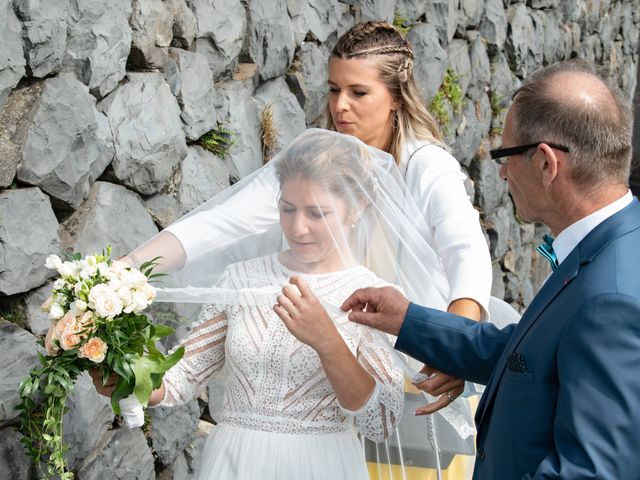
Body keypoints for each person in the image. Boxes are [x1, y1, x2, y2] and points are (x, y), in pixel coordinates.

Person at [125, 20, 492, 412]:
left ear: (397, 97)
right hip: (336, 372)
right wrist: (127, 270)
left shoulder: (426, 164)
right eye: (334, 90)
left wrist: (455, 344)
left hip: (424, 364)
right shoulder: (314, 161)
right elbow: (222, 222)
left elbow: (465, 249)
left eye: (358, 92)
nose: (339, 106)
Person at [94, 130, 452, 479]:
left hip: (321, 467)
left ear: (356, 208)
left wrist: (328, 342)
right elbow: (181, 378)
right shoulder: (241, 279)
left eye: (317, 213)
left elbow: (380, 422)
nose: (298, 228)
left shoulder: (374, 296)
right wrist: (132, 380)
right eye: (288, 208)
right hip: (233, 463)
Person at [341, 60, 640, 479]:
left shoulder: (612, 298)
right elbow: (528, 358)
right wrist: (408, 320)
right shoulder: (615, 242)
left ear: (546, 164)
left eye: (505, 155)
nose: (500, 171)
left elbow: (592, 471)